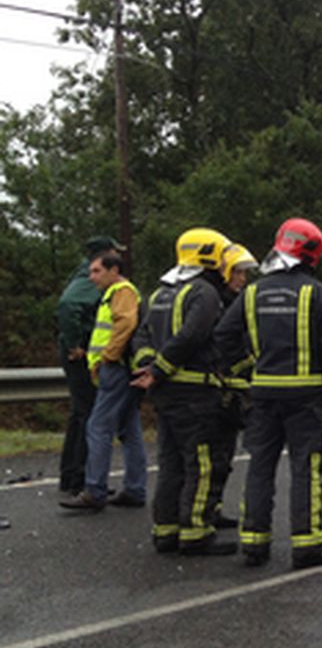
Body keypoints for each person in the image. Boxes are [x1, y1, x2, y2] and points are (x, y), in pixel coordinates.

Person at [214, 218, 322, 570]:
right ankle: (307, 546)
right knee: (306, 469)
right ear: (310, 256)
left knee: (260, 468)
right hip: (306, 399)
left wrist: (247, 369)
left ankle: (254, 545)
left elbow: (224, 336)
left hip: (262, 397)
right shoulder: (316, 293)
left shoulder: (252, 292)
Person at [131, 227, 237, 555]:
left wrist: (150, 368)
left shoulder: (159, 293)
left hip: (165, 394)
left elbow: (140, 338)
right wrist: (161, 368)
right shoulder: (204, 292)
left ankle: (166, 530)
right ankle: (195, 533)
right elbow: (194, 335)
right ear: (209, 256)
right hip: (195, 394)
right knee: (200, 464)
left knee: (171, 462)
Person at [60, 251, 148, 511]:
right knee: (129, 429)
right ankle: (134, 488)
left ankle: (94, 490)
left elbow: (126, 322)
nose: (92, 277)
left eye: (97, 271)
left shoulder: (121, 291)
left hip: (117, 369)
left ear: (114, 270)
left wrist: (108, 356)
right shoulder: (116, 293)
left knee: (97, 427)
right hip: (121, 368)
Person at [54, 235, 122, 494]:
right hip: (79, 355)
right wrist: (74, 345)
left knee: (80, 413)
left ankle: (70, 476)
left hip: (78, 352)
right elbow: (68, 305)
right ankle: (82, 479)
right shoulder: (89, 278)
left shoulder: (83, 274)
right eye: (115, 252)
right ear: (104, 254)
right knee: (90, 415)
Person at [207, 242, 259, 529]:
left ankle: (212, 507)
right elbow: (221, 346)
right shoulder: (214, 302)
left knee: (224, 455)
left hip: (232, 391)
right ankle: (203, 512)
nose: (242, 279)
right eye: (237, 273)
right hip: (217, 391)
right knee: (215, 455)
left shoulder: (236, 302)